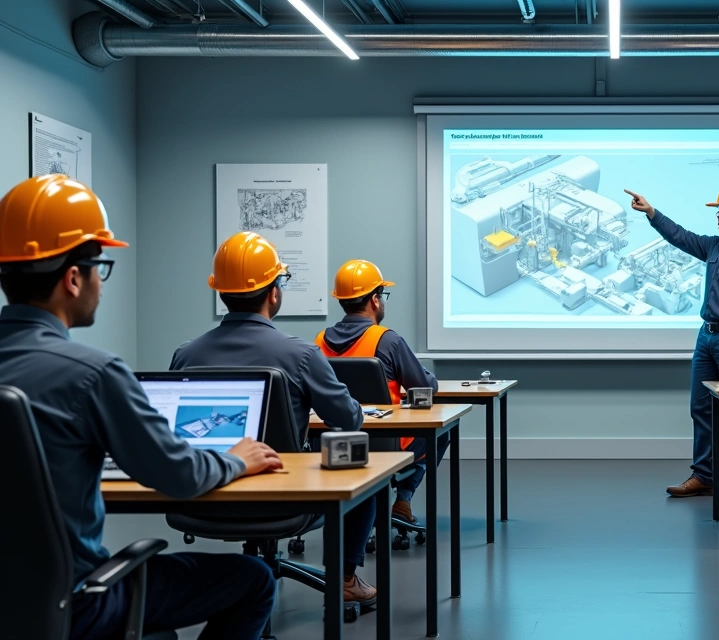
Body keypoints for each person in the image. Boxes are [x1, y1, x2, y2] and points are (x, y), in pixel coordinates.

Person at [0, 175, 280, 640]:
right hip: (76, 605)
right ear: (73, 279)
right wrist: (235, 460)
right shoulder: (93, 373)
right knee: (254, 580)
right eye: (100, 268)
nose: (101, 283)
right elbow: (179, 475)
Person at [169, 232, 378, 610]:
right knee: (368, 476)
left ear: (221, 291)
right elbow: (349, 419)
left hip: (199, 497)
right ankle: (345, 578)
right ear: (274, 292)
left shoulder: (185, 355)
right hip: (284, 502)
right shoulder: (301, 354)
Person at [625, 184, 719, 503]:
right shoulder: (713, 247)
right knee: (700, 408)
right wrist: (652, 213)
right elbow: (679, 236)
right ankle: (704, 476)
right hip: (706, 336)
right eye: (718, 210)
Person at [316, 258, 449, 525]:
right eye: (382, 295)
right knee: (441, 432)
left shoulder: (320, 341)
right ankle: (404, 498)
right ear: (375, 300)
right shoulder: (387, 340)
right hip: (386, 443)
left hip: (334, 444)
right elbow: (425, 387)